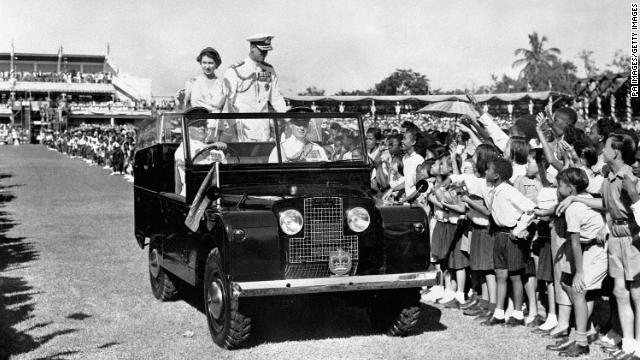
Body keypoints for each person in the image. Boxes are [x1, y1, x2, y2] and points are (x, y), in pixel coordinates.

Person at [554, 168, 608, 357]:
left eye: (560, 185)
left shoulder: (573, 209)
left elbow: (575, 242)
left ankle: (581, 342)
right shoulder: (582, 196)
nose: (557, 187)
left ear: (570, 189)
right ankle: (584, 332)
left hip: (596, 250)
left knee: (578, 291)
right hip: (590, 249)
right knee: (581, 291)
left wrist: (579, 271)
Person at [224, 33, 288, 142]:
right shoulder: (235, 70)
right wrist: (233, 125)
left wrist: (288, 118)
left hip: (264, 129)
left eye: (266, 51)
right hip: (243, 129)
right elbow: (227, 102)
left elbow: (276, 98)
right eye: (262, 51)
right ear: (252, 48)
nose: (265, 54)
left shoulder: (269, 70)